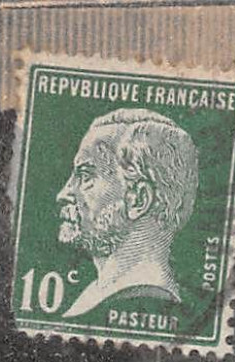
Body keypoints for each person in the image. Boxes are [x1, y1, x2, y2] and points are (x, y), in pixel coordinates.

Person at [56, 108, 199, 317]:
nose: (63, 194)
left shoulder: (141, 300)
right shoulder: (97, 295)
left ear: (138, 200)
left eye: (85, 176)